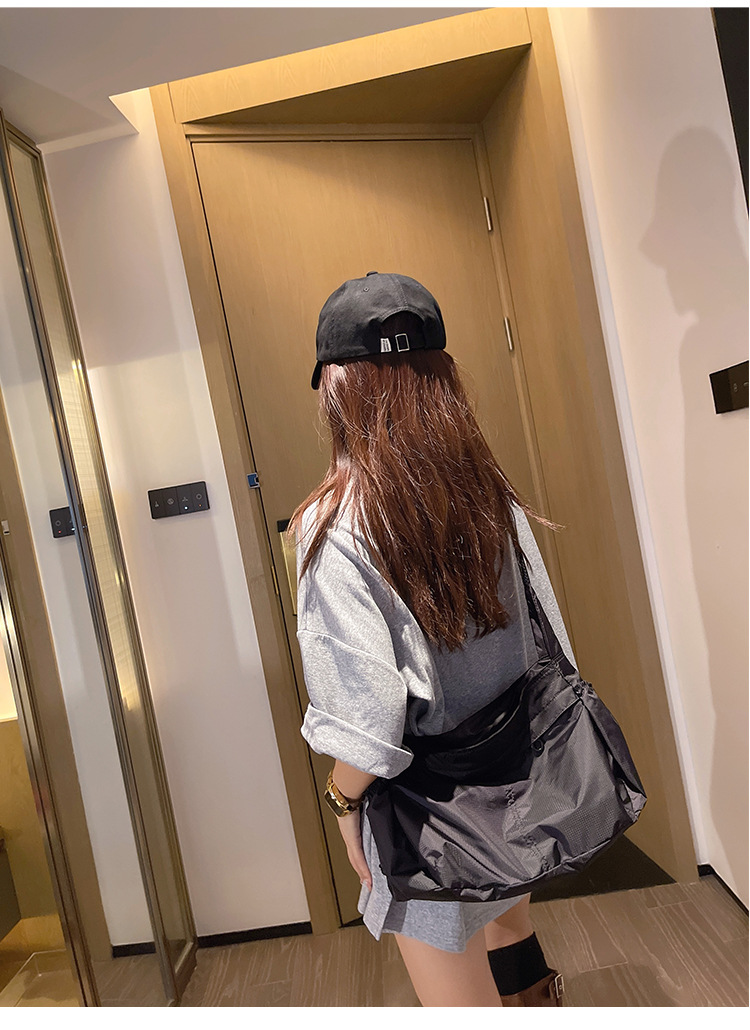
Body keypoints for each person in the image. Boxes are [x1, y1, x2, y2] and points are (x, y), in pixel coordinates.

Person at [287, 271, 574, 1007]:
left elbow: (368, 726)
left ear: (338, 387)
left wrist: (341, 802)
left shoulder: (335, 525)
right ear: (441, 377)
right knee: (510, 925)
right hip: (514, 777)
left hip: (427, 819)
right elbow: (548, 633)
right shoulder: (486, 489)